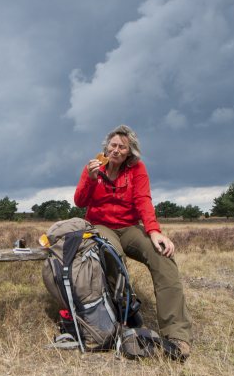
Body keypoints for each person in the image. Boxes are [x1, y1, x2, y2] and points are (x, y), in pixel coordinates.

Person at [74, 124, 192, 361]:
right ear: (106, 147)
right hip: (101, 225)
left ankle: (177, 335)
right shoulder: (93, 167)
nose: (116, 150)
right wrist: (91, 178)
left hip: (129, 227)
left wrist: (154, 231)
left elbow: (143, 200)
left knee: (163, 256)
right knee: (113, 255)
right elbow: (79, 201)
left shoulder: (137, 169)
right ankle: (125, 317)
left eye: (122, 147)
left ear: (130, 152)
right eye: (113, 145)